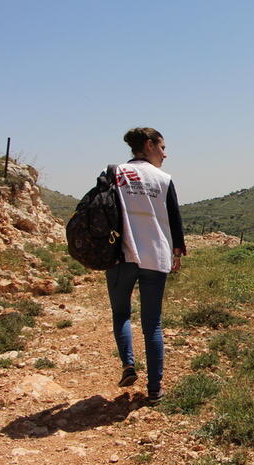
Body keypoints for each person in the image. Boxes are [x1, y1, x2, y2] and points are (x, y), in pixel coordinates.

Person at [107, 127, 186, 405]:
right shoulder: (164, 179)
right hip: (155, 256)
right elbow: (175, 219)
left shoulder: (114, 172)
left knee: (121, 314)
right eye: (162, 147)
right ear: (149, 145)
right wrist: (177, 254)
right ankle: (154, 389)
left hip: (120, 256)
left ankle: (128, 364)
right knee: (152, 324)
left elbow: (100, 211)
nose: (165, 154)